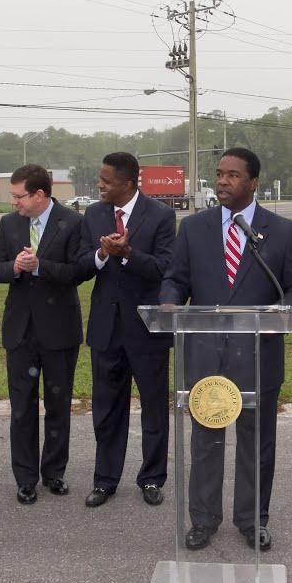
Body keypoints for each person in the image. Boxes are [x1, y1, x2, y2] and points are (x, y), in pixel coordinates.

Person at [158, 147, 292, 552]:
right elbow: (176, 279)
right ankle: (203, 520)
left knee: (256, 443)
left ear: (253, 181)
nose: (222, 181)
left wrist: (284, 313)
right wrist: (170, 300)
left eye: (232, 175)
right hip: (204, 353)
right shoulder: (194, 229)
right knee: (205, 442)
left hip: (258, 355)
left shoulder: (282, 232)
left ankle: (252, 520)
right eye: (219, 174)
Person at [76, 152, 176, 508]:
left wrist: (129, 253)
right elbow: (82, 264)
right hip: (106, 328)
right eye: (99, 179)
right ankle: (105, 480)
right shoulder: (93, 214)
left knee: (153, 407)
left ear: (128, 184)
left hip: (146, 330)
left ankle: (151, 478)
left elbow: (166, 267)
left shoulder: (162, 215)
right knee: (106, 408)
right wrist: (102, 255)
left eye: (106, 180)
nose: (99, 185)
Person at [0, 164, 89, 505]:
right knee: (22, 408)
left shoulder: (72, 222)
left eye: (19, 196)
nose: (14, 202)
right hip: (20, 331)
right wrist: (15, 267)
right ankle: (26, 478)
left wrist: (41, 267)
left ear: (39, 194)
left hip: (59, 330)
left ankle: (54, 473)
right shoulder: (8, 223)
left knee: (59, 405)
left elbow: (79, 271)